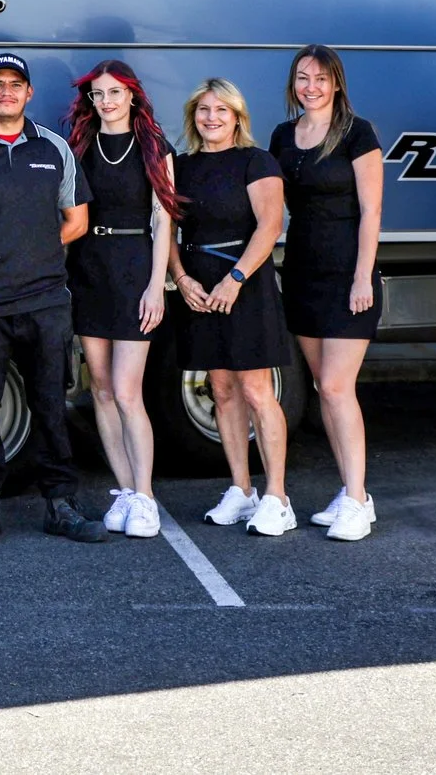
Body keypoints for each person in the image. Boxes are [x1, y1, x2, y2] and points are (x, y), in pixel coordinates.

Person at [0, 53, 105, 546]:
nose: (7, 92)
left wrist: (35, 247)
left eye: (16, 84)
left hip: (44, 299)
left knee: (51, 404)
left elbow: (77, 220)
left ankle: (61, 504)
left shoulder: (54, 148)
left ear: (29, 93)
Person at [172, 77, 296, 536]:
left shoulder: (256, 161)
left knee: (256, 391)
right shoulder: (181, 166)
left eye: (222, 110)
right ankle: (242, 491)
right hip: (199, 288)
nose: (212, 118)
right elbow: (166, 229)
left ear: (238, 117)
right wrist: (181, 278)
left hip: (244, 285)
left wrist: (235, 279)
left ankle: (278, 498)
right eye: (204, 110)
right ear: (194, 116)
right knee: (221, 389)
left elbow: (270, 225)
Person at [270, 45, 384, 542]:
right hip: (301, 272)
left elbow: (372, 212)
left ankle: (358, 500)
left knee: (337, 388)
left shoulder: (358, 132)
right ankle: (350, 491)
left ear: (336, 83)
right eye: (302, 77)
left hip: (346, 275)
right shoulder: (283, 136)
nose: (311, 86)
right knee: (322, 388)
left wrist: (363, 277)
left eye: (320, 78)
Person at [63, 59, 176, 540]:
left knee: (129, 393)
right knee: (103, 391)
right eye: (98, 94)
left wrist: (156, 285)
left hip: (134, 269)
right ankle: (126, 490)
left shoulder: (154, 146)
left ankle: (146, 497)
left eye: (114, 92)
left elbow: (163, 220)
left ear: (132, 94)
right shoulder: (79, 145)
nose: (106, 101)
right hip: (89, 269)